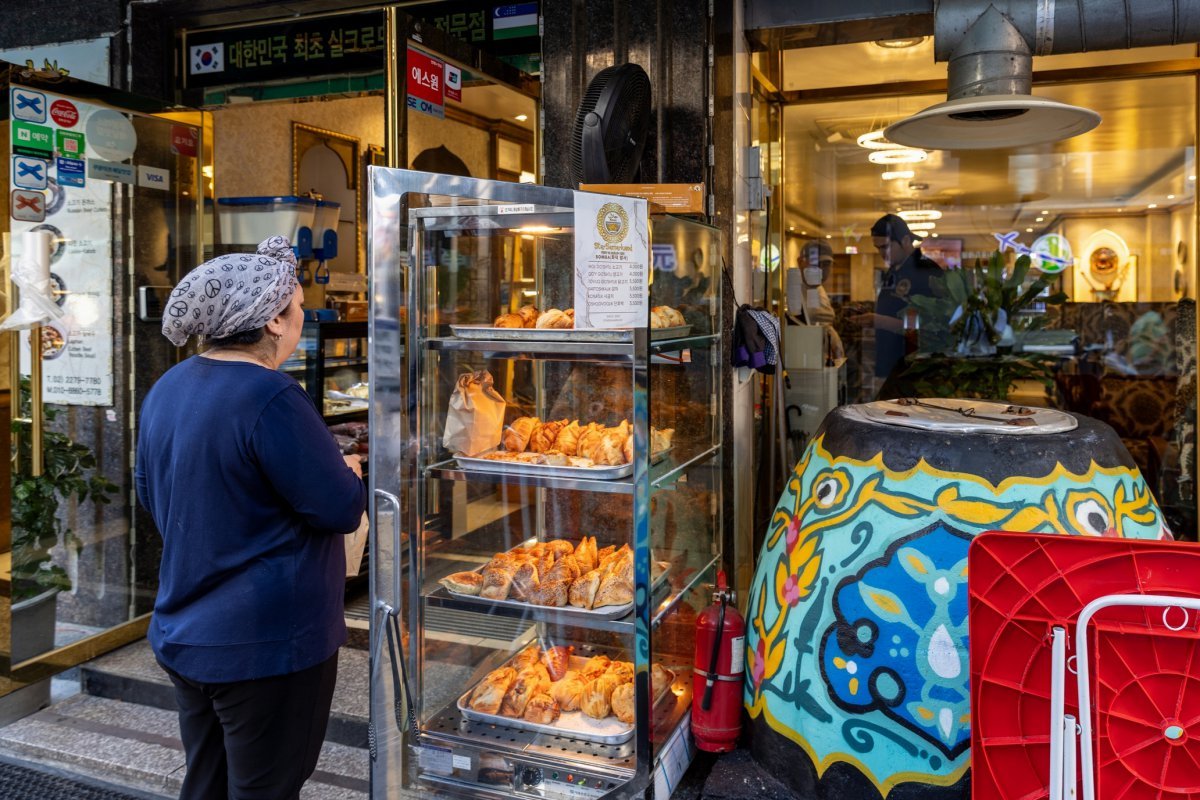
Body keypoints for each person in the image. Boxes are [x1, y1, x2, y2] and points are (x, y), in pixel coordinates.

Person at [135, 236, 367, 800]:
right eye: (297, 308)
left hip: (186, 631)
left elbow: (152, 493)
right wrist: (351, 471)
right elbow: (339, 507)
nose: (302, 319)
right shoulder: (270, 395)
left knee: (207, 782)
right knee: (267, 787)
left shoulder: (169, 386)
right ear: (270, 322)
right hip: (267, 643)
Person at [857, 214, 943, 391]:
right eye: (877, 248)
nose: (881, 253)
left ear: (905, 240)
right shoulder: (894, 270)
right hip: (891, 367)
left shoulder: (927, 271)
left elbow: (932, 326)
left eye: (885, 247)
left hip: (916, 373)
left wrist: (880, 321)